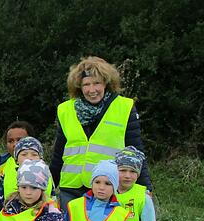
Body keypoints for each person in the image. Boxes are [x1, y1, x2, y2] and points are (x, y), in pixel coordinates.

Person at [50, 56, 152, 211]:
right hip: (71, 189)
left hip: (107, 188)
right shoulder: (65, 110)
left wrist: (145, 187)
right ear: (79, 86)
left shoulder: (124, 107)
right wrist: (48, 188)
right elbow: (58, 153)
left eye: (96, 83)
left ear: (106, 82)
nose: (92, 90)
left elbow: (136, 151)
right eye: (86, 84)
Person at [0, 137, 54, 216]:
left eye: (34, 154)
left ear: (40, 158)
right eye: (24, 154)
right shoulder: (7, 173)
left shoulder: (46, 174)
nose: (29, 157)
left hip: (41, 218)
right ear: (16, 159)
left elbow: (53, 199)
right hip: (12, 217)